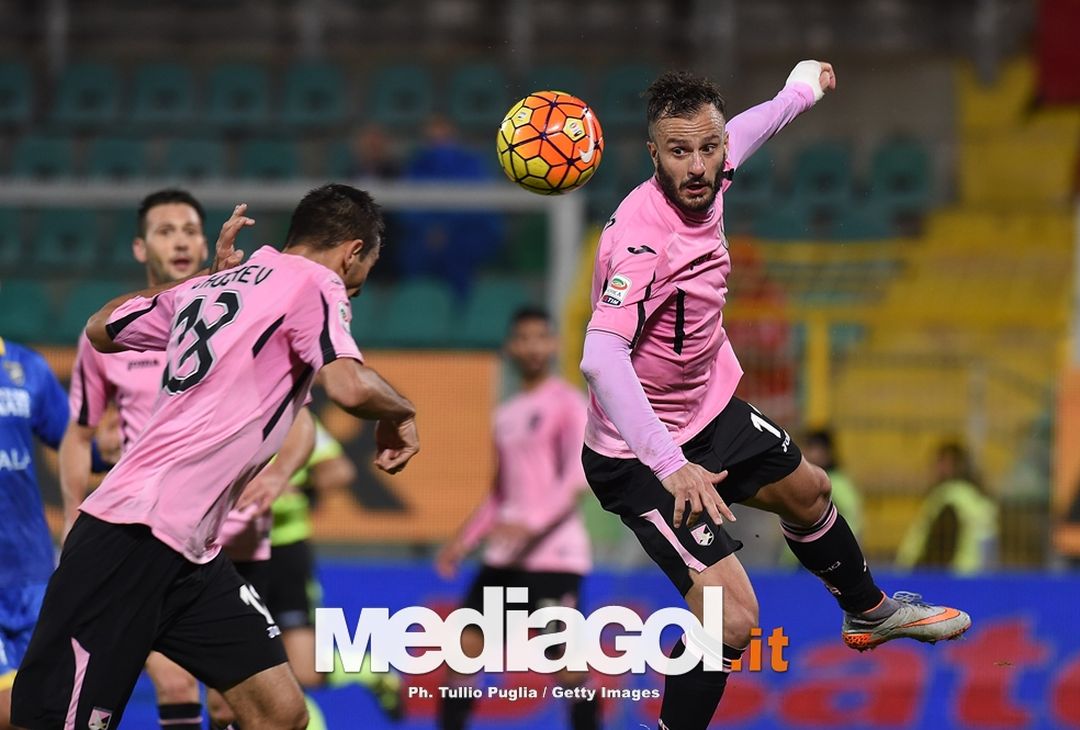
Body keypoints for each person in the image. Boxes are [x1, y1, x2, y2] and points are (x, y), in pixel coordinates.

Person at [578, 64, 971, 729]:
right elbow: (599, 356)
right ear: (654, 155)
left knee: (811, 492)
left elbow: (751, 128)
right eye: (680, 152)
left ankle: (868, 611)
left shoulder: (715, 165)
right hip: (640, 454)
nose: (699, 165)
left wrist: (802, 90)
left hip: (707, 410)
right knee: (731, 616)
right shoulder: (642, 241)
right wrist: (671, 466)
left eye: (709, 148)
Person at [12, 183, 420, 729]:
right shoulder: (318, 282)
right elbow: (347, 386)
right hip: (130, 534)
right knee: (55, 722)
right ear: (352, 251)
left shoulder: (215, 284)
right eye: (367, 262)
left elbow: (100, 327)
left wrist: (203, 278)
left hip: (192, 554)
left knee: (280, 712)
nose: (361, 280)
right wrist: (402, 412)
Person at [436, 307, 597, 730]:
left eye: (540, 337)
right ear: (511, 346)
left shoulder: (568, 403)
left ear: (554, 344)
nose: (531, 346)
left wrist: (534, 523)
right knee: (462, 654)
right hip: (506, 558)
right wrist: (464, 540)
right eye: (522, 338)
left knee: (567, 668)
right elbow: (501, 492)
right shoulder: (506, 415)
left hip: (553, 556)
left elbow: (576, 476)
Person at [264, 414, 404, 721]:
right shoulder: (217, 409)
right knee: (242, 677)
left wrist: (294, 486)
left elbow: (340, 470)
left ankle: (369, 670)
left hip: (284, 552)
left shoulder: (293, 418)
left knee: (303, 672)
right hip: (228, 556)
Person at [0, 337, 106, 729]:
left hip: (31, 573)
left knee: (46, 708)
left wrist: (117, 440)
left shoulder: (26, 366)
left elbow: (80, 445)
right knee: (11, 709)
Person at [896, 442, 998, 574]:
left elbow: (940, 548)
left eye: (938, 462)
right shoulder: (976, 499)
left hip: (945, 581)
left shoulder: (948, 498)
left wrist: (920, 576)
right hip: (975, 580)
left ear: (948, 464)